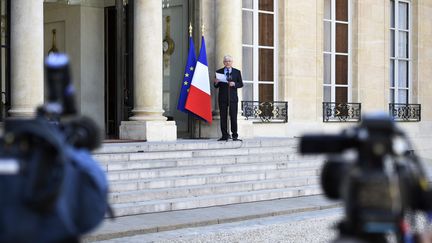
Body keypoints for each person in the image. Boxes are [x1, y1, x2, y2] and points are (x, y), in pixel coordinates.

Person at [214, 55, 243, 141]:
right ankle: (224, 135)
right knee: (223, 117)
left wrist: (234, 84)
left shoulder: (237, 72)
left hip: (233, 98)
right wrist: (216, 82)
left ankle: (234, 135)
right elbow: (216, 86)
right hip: (222, 98)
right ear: (223, 62)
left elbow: (241, 84)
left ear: (232, 62)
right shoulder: (219, 72)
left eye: (229, 61)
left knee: (233, 117)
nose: (227, 63)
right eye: (226, 61)